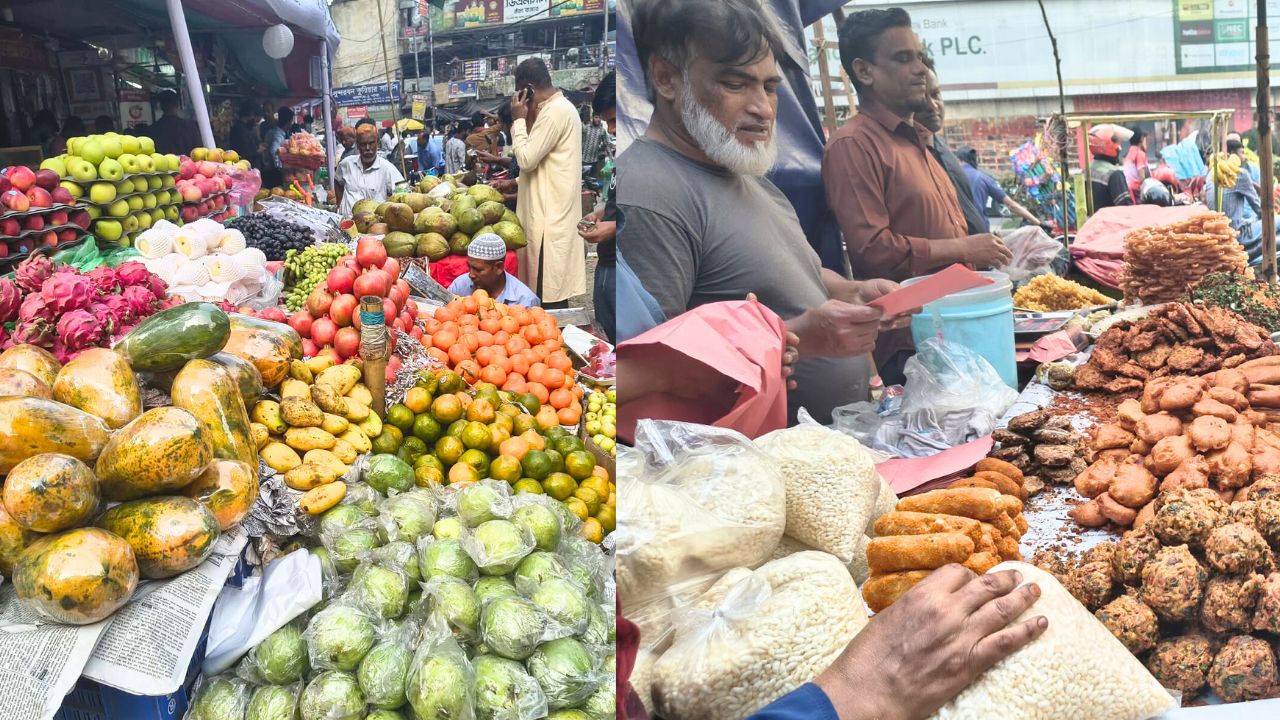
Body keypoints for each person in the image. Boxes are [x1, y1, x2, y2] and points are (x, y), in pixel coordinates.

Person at [620, 0, 913, 424]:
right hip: (750, 473)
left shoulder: (749, 175)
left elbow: (780, 275)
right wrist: (800, 337)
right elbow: (653, 373)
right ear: (667, 78)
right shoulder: (649, 192)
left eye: (770, 86)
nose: (763, 107)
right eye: (736, 84)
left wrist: (848, 292)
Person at [822, 7, 1010, 384]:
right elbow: (873, 249)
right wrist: (965, 248)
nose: (921, 69)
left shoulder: (919, 141)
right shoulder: (855, 145)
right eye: (904, 58)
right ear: (864, 71)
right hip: (914, 345)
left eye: (920, 57)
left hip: (960, 329)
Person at [509, 57, 585, 308]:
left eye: (521, 93)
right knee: (543, 300)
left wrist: (518, 119)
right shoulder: (551, 111)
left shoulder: (555, 112)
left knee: (547, 304)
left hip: (548, 224)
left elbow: (527, 158)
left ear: (529, 89)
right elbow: (544, 166)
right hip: (548, 217)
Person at [914, 56, 986, 235]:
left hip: (978, 260)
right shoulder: (909, 158)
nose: (933, 106)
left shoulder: (942, 147)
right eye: (922, 99)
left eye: (936, 94)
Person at [580, 71, 617, 342]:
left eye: (615, 120)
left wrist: (614, 227)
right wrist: (601, 211)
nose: (611, 129)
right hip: (607, 262)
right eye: (608, 123)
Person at [956, 147, 1051, 233]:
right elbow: (1011, 205)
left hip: (958, 230)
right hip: (980, 231)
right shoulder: (984, 178)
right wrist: (1039, 223)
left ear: (958, 160)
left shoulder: (950, 177)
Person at [446, 233, 540, 307]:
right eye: (469, 267)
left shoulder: (525, 301)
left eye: (478, 270)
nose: (471, 275)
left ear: (498, 268)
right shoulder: (459, 286)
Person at [334, 124, 405, 216]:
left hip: (372, 226)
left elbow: (403, 194)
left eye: (371, 143)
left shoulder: (387, 168)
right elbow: (337, 181)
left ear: (377, 143)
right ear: (357, 145)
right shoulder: (346, 164)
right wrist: (339, 204)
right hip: (346, 223)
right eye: (363, 144)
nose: (367, 148)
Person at [1088, 124, 1134, 210]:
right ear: (1108, 145)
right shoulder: (1114, 174)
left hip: (1092, 222)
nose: (1119, 148)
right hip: (1109, 223)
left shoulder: (1086, 170)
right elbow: (1126, 209)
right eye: (1116, 142)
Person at [146, 90, 201, 155]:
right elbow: (198, 150)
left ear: (161, 106)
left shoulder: (153, 129)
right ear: (177, 105)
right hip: (188, 164)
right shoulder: (190, 126)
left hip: (162, 164)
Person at [262, 107, 293, 190]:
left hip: (266, 169)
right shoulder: (278, 134)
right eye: (291, 121)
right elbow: (273, 151)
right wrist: (279, 167)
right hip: (273, 172)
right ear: (288, 121)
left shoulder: (273, 130)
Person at [229, 102, 261, 167]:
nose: (255, 119)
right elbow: (243, 152)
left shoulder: (245, 128)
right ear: (250, 114)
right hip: (244, 167)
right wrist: (258, 151)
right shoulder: (239, 130)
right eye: (254, 115)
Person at [1123, 127, 1150, 201]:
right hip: (1138, 195)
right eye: (1145, 139)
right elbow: (1142, 178)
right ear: (1141, 139)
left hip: (1130, 193)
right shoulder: (1139, 154)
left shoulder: (1128, 154)